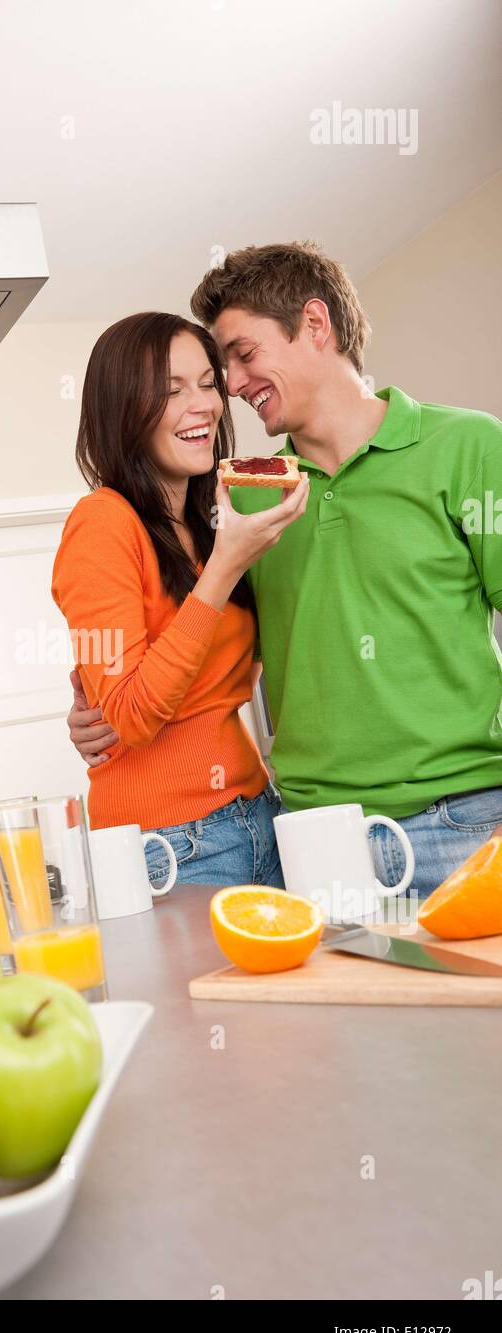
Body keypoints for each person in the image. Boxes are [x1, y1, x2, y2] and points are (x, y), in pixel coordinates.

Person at [68, 242, 502, 899]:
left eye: (241, 357)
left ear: (316, 325)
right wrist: (96, 696)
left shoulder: (468, 446)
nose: (232, 388)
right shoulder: (238, 499)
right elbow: (203, 650)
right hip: (309, 838)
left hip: (465, 820)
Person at [52, 311, 307, 887]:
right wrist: (224, 569)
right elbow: (134, 715)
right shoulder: (103, 523)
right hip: (170, 845)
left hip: (257, 815)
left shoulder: (214, 516)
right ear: (124, 413)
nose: (205, 405)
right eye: (170, 392)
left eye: (207, 382)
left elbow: (215, 675)